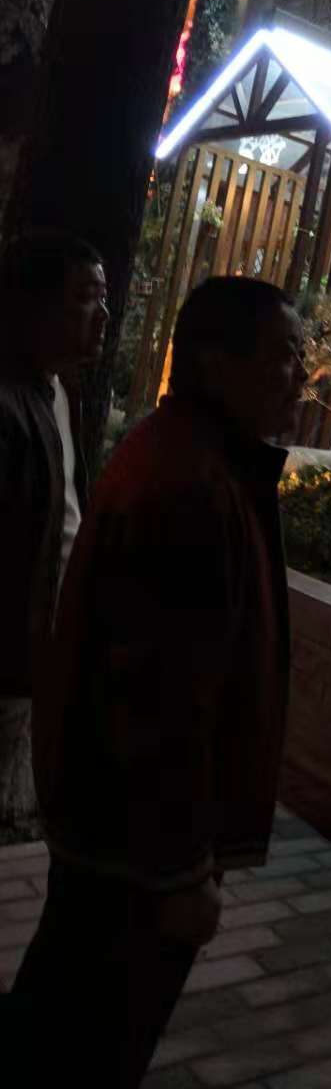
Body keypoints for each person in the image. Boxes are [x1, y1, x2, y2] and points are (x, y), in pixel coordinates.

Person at [8, 275, 307, 1086]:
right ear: (215, 362)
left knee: (57, 1016)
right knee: (92, 1041)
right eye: (283, 356)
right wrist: (179, 871)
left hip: (112, 835)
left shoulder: (188, 458)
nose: (301, 375)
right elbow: (159, 700)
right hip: (134, 855)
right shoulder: (192, 488)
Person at [0, 232, 108, 834]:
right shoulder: (7, 403)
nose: (103, 315)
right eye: (86, 298)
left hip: (37, 661)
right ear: (35, 305)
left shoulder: (59, 391)